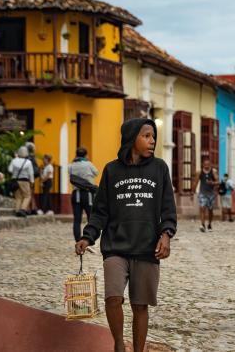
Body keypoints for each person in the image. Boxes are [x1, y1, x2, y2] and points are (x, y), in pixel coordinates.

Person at [75, 118, 177, 352]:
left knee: (140, 306)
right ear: (132, 139)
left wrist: (166, 234)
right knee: (113, 297)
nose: (152, 141)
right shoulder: (112, 170)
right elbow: (100, 210)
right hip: (116, 247)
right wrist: (87, 236)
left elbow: (168, 209)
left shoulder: (160, 168)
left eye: (153, 136)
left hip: (147, 248)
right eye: (147, 136)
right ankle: (119, 344)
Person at [69, 147, 99, 242]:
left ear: (76, 155)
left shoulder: (72, 165)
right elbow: (96, 173)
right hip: (88, 194)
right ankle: (89, 238)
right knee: (91, 218)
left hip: (76, 194)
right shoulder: (89, 164)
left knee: (77, 219)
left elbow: (70, 174)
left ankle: (77, 240)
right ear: (86, 155)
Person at [8, 146, 34, 217]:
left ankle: (17, 210)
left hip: (15, 181)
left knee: (18, 197)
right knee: (27, 196)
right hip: (24, 181)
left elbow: (10, 170)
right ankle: (22, 209)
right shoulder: (28, 162)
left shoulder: (14, 160)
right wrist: (32, 182)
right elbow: (30, 173)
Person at [193, 159, 218, 232]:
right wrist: (193, 191)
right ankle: (202, 224)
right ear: (203, 164)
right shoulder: (199, 172)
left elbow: (218, 182)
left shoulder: (213, 172)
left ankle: (209, 224)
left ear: (210, 164)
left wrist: (212, 183)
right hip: (202, 193)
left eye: (208, 164)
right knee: (202, 208)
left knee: (210, 210)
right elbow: (196, 181)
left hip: (211, 194)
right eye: (205, 164)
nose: (206, 166)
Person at [26, 142, 41, 214]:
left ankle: (29, 209)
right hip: (31, 178)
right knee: (30, 193)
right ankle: (33, 208)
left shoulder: (26, 158)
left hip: (27, 178)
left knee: (27, 194)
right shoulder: (32, 157)